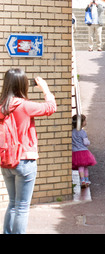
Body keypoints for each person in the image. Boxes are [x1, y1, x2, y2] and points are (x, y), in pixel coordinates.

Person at [0, 69, 56, 234]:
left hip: (6, 161)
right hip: (25, 160)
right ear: (22, 84)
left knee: (12, 203)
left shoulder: (3, 106)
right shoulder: (24, 106)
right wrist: (45, 89)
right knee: (22, 207)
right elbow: (51, 107)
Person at [72, 114, 97, 188]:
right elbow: (86, 142)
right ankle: (86, 180)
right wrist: (89, 142)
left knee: (80, 166)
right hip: (83, 152)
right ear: (81, 123)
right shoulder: (82, 132)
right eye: (85, 121)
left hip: (75, 152)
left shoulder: (72, 132)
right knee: (85, 167)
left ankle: (82, 180)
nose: (86, 122)